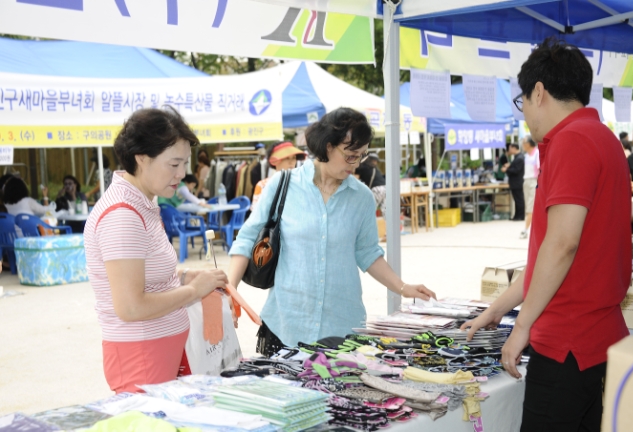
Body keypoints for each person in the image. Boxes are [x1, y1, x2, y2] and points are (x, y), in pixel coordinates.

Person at [462, 38, 631, 432]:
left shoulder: (571, 141)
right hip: (596, 335)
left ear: (538, 92)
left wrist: (520, 329)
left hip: (567, 340)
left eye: (522, 103)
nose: (525, 117)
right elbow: (545, 256)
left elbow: (562, 245)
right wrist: (496, 310)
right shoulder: (602, 137)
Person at [227, 107, 435, 357]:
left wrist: (403, 287)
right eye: (350, 155)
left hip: (342, 328)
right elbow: (247, 239)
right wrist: (231, 292)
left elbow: (368, 252)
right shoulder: (282, 186)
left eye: (361, 155)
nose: (357, 163)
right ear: (328, 146)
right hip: (287, 324)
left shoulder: (362, 198)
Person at [84, 107, 230, 393]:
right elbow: (130, 306)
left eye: (184, 163)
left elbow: (144, 273)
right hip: (141, 356)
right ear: (142, 158)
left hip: (156, 353)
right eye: (173, 164)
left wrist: (185, 276)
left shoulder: (143, 202)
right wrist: (193, 291)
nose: (182, 174)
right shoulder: (123, 215)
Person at [251, 141, 304, 211]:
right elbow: (256, 213)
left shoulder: (302, 184)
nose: (291, 162)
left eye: (294, 158)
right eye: (286, 158)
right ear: (274, 160)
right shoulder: (263, 185)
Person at [520, 136, 539, 239]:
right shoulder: (527, 155)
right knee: (529, 205)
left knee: (530, 207)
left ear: (528, 144)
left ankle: (525, 230)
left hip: (533, 181)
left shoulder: (537, 154)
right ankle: (529, 229)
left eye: (524, 143)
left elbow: (539, 170)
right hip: (526, 181)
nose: (522, 145)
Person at [501, 143, 525, 221]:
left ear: (514, 148)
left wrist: (507, 169)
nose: (509, 150)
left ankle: (520, 216)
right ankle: (516, 215)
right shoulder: (516, 157)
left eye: (510, 148)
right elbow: (515, 167)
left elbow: (516, 170)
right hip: (514, 182)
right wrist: (509, 166)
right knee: (516, 200)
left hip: (517, 182)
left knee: (519, 200)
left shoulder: (520, 158)